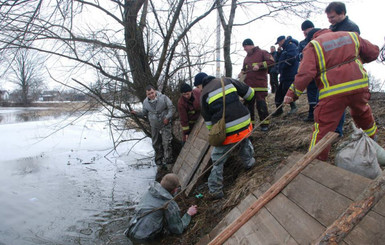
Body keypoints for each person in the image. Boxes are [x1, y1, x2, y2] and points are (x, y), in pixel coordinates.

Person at [284, 28, 379, 161]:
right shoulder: (351, 36)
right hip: (359, 86)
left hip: (333, 92)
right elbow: (373, 52)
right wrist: (357, 61)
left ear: (312, 37)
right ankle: (374, 142)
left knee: (323, 127)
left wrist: (292, 93)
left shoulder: (313, 45)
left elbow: (306, 73)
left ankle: (315, 162)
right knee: (363, 113)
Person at [197, 73, 256, 199]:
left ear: (201, 84)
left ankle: (215, 190)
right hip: (245, 123)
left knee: (217, 159)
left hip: (228, 130)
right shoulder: (226, 80)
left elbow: (210, 125)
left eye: (198, 87)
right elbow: (250, 94)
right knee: (243, 141)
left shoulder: (203, 95)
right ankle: (249, 163)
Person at [126, 173, 198, 241]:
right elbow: (178, 229)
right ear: (176, 189)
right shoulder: (169, 205)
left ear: (161, 183)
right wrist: (188, 214)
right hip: (145, 239)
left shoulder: (150, 192)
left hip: (130, 231)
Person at [325, 1, 360, 136]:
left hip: (347, 71)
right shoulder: (332, 28)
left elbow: (353, 50)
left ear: (342, 13)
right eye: (328, 18)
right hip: (333, 70)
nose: (330, 20)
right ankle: (334, 131)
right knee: (334, 101)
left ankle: (342, 131)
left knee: (344, 101)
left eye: (332, 17)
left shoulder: (351, 28)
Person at [131, 85, 175, 167]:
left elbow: (171, 108)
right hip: (154, 125)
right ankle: (159, 160)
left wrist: (168, 117)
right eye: (149, 94)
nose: (151, 95)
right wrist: (136, 113)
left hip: (165, 124)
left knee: (167, 142)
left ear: (155, 91)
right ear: (146, 94)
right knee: (155, 143)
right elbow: (144, 113)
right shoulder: (145, 102)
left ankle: (168, 160)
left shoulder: (164, 98)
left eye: (152, 93)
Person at [239, 38, 275, 131]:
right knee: (248, 107)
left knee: (261, 105)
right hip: (249, 87)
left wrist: (259, 65)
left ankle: (265, 125)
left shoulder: (263, 53)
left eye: (245, 46)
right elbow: (244, 69)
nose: (244, 49)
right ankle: (251, 126)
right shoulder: (246, 58)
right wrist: (241, 72)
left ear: (251, 45)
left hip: (260, 86)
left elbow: (271, 62)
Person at [272, 35, 299, 117]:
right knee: (279, 92)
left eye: (279, 43)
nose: (278, 45)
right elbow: (277, 61)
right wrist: (279, 53)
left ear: (282, 40)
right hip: (284, 75)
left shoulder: (291, 46)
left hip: (290, 73)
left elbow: (292, 58)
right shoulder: (284, 50)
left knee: (286, 90)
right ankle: (279, 110)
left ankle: (293, 106)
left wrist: (283, 66)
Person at [299, 20, 318, 122]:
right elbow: (298, 56)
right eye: (303, 31)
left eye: (306, 29)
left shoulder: (320, 39)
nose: (305, 32)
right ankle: (311, 113)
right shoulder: (302, 43)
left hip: (320, 71)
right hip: (309, 71)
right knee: (310, 92)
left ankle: (319, 114)